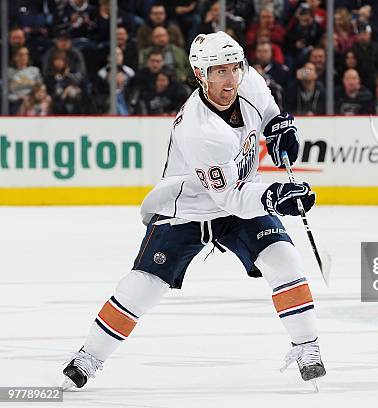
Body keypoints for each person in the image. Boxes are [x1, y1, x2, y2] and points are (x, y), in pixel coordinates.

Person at [62, 31, 325, 390]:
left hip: (240, 196)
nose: (231, 78)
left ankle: (307, 347)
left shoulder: (248, 79)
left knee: (284, 260)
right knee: (145, 285)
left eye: (234, 68)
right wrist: (275, 196)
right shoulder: (200, 130)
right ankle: (89, 356)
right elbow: (229, 199)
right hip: (188, 208)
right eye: (219, 71)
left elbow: (267, 111)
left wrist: (279, 126)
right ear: (200, 74)